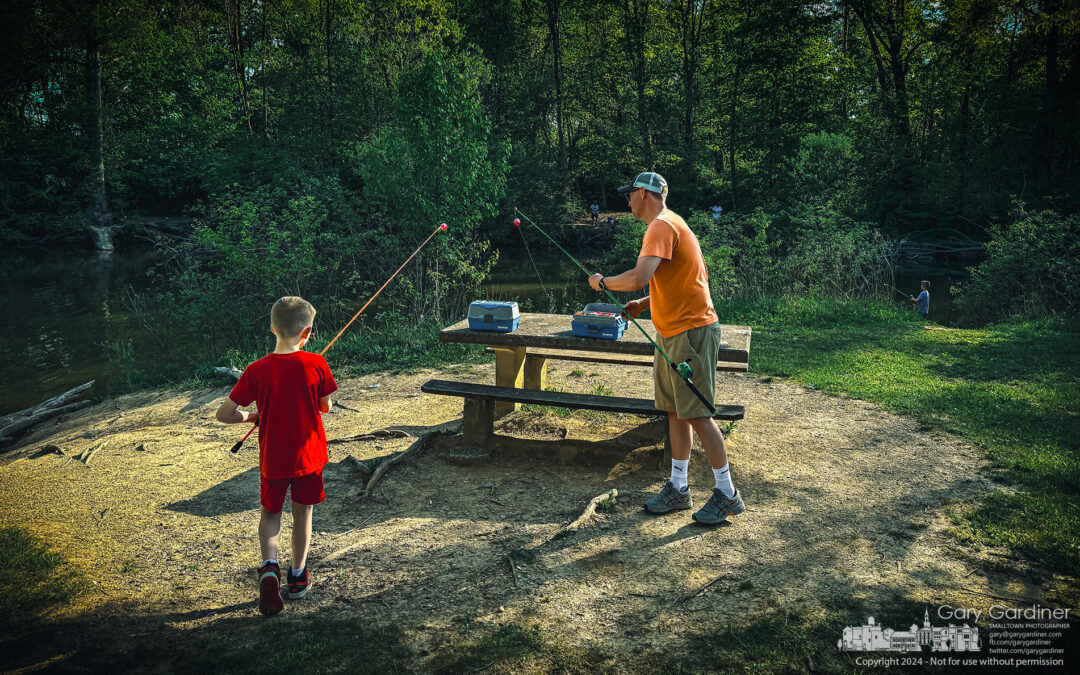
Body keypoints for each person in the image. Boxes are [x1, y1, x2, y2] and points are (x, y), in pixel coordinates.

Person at [589, 171, 744, 525]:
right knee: (675, 412)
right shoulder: (668, 223)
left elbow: (639, 276)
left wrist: (602, 283)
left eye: (629, 193)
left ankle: (727, 493)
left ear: (644, 193)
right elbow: (675, 281)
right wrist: (645, 305)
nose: (627, 199)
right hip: (672, 333)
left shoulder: (660, 225)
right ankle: (678, 488)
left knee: (699, 415)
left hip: (691, 333)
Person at [215, 296, 337, 616]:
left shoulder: (256, 370)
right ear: (307, 332)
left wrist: (251, 417)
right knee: (302, 514)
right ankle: (297, 578)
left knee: (271, 514)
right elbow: (325, 407)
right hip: (309, 457)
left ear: (272, 328)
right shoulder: (317, 364)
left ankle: (270, 568)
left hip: (273, 459)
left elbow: (224, 413)